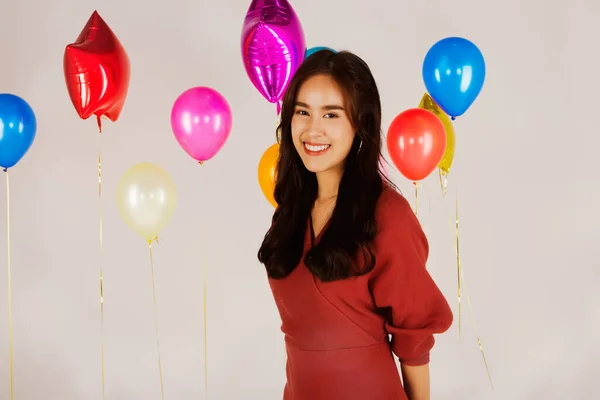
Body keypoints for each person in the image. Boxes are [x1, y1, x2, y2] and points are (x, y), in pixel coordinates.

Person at [257, 49, 453, 400]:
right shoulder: (288, 212)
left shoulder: (387, 215)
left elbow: (413, 337)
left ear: (359, 123)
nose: (312, 129)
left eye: (331, 114)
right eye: (303, 111)